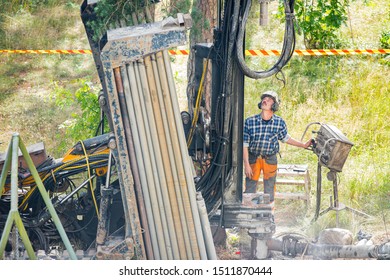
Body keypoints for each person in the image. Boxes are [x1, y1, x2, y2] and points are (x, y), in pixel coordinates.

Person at [243, 90, 311, 211]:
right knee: (250, 188)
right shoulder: (250, 121)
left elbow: (286, 138)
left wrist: (303, 145)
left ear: (274, 106)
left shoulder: (279, 122)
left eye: (269, 100)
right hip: (253, 158)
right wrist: (246, 164)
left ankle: (269, 216)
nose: (265, 101)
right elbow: (245, 144)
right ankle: (248, 214)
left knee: (269, 188)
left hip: (270, 159)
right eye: (264, 99)